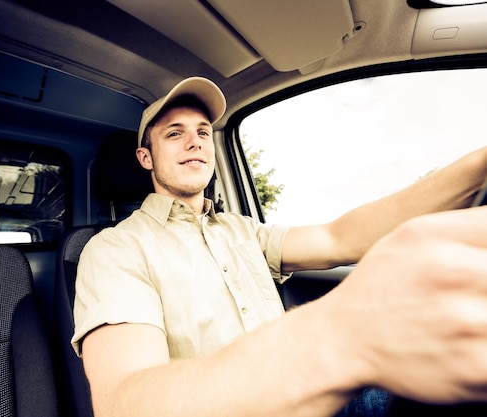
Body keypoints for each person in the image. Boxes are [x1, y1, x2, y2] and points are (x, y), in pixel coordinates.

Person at [71, 77, 487, 417]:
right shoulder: (114, 249)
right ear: (146, 158)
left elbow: (339, 237)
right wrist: (341, 336)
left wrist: (478, 167)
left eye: (203, 133)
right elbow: (124, 403)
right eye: (175, 134)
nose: (195, 142)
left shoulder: (240, 229)